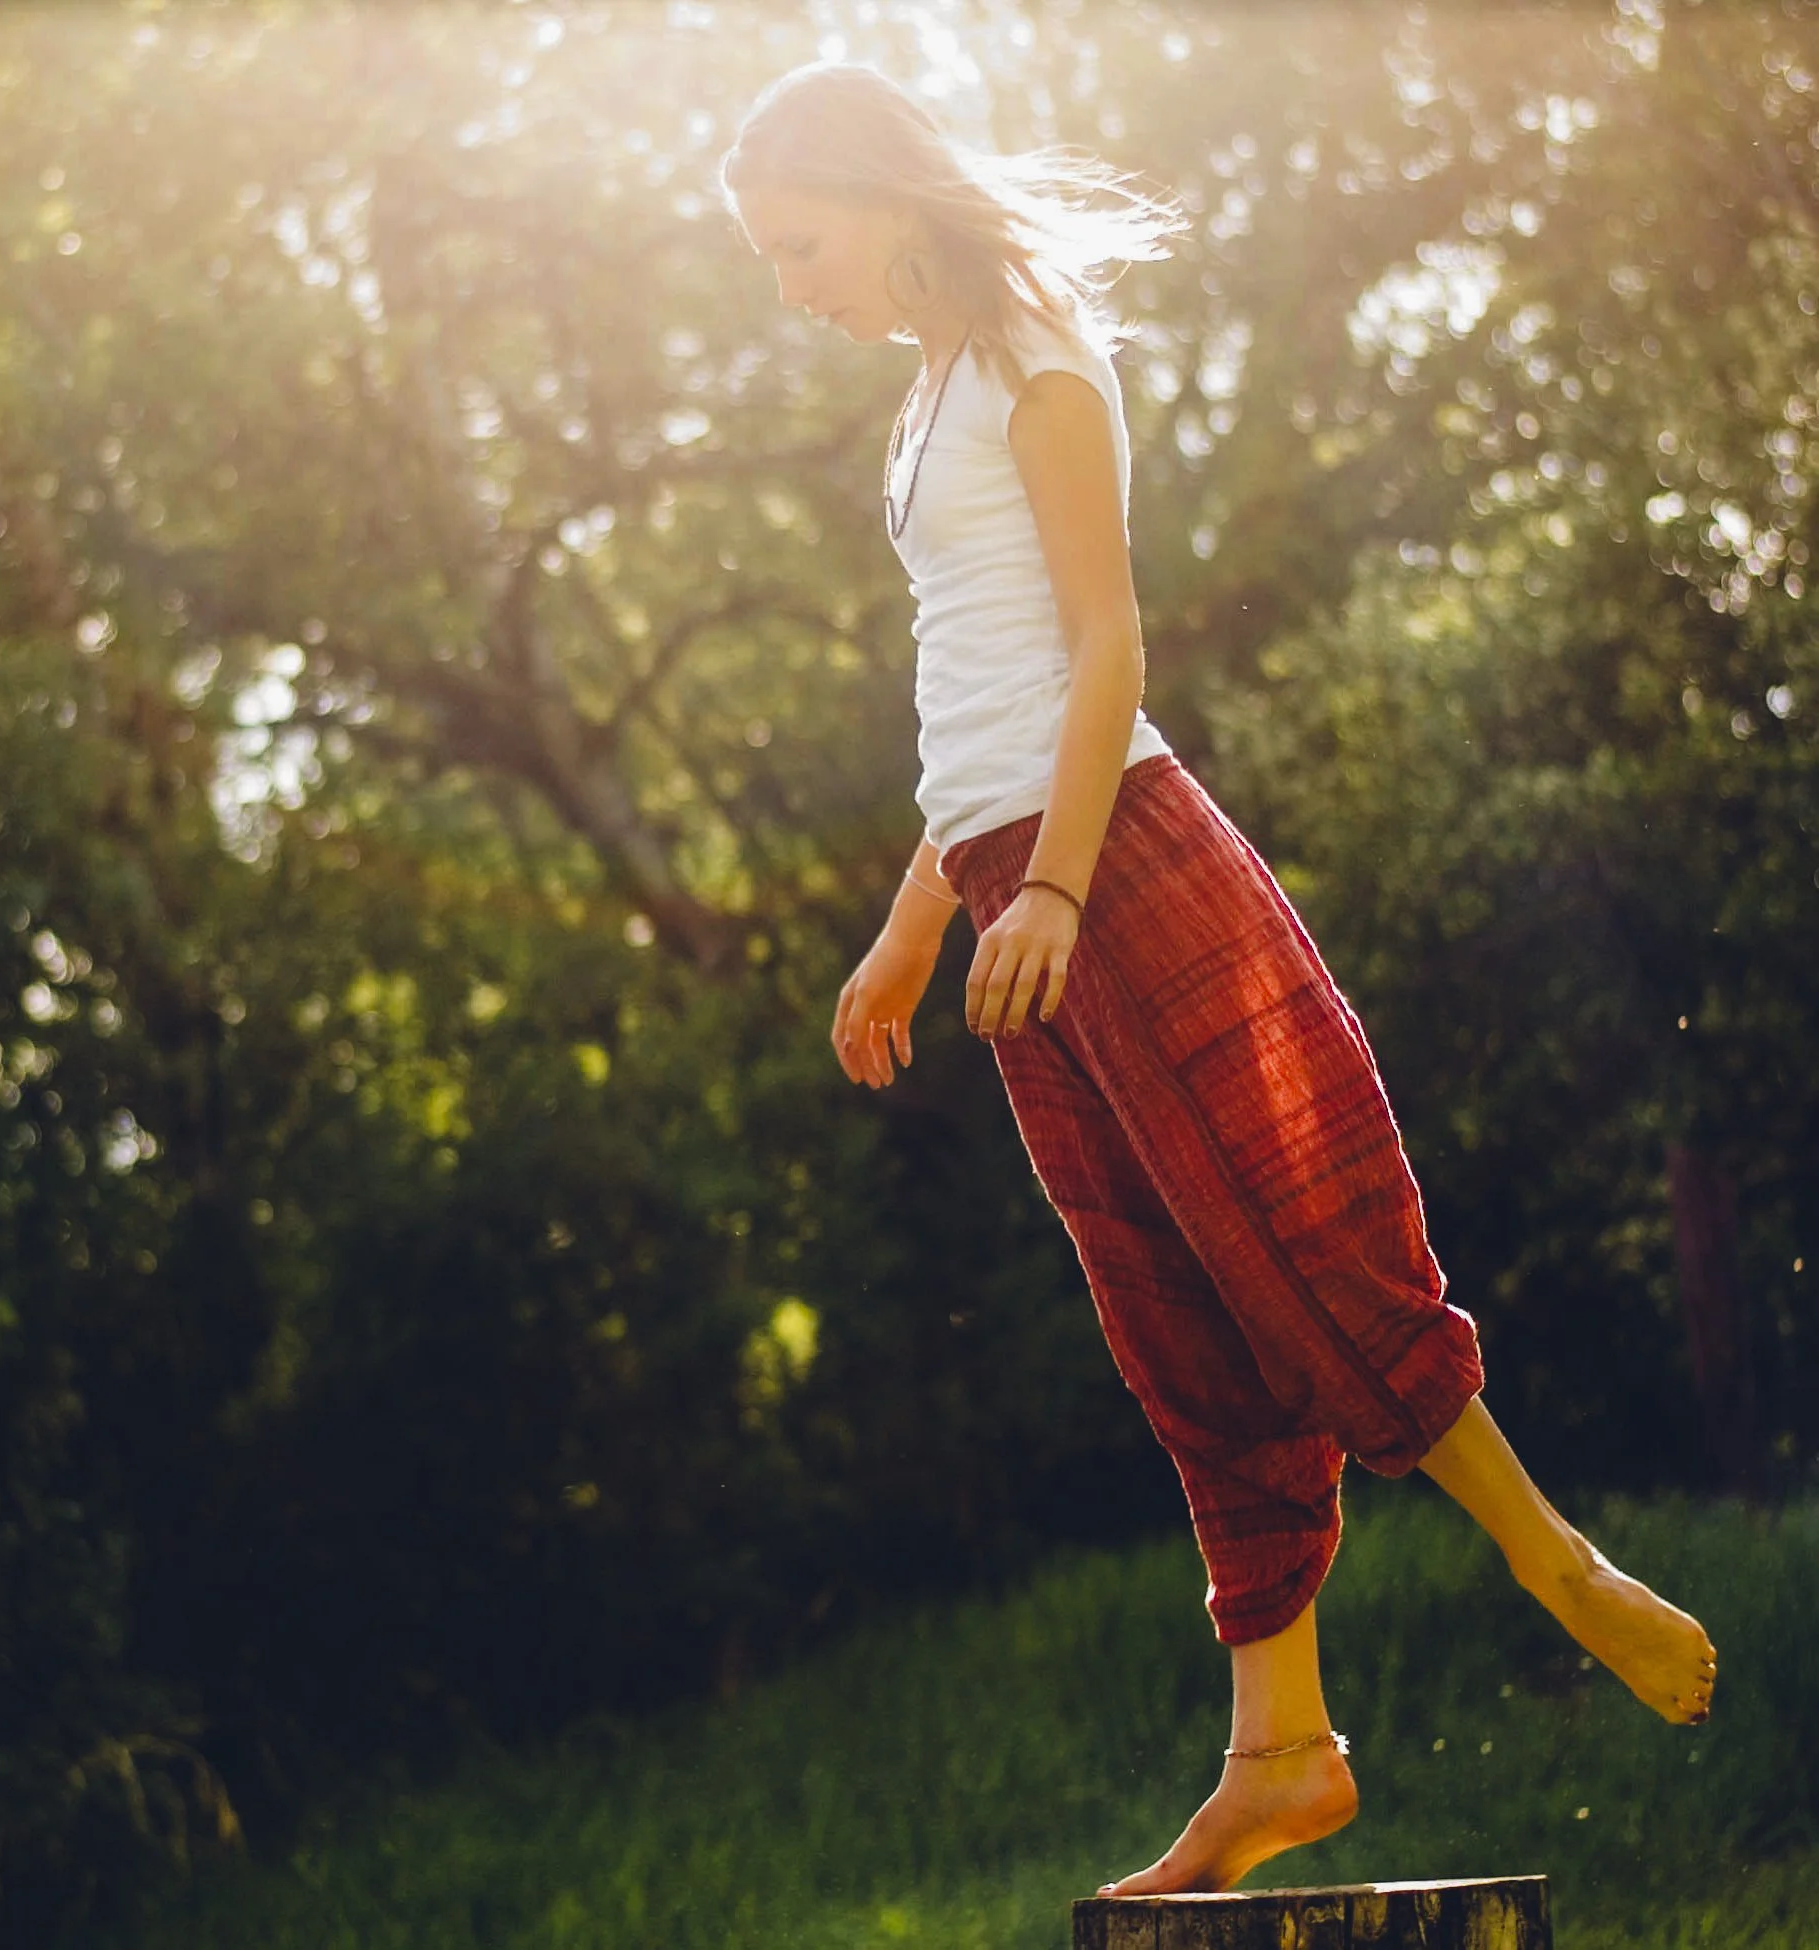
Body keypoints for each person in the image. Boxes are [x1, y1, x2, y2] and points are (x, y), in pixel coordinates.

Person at [718, 60, 1716, 1897]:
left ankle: (1551, 1558)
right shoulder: (922, 396)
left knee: (1295, 1233)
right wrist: (915, 923)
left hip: (1117, 862)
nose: (790, 285)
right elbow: (977, 692)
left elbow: (1107, 644)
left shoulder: (1029, 354)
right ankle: (1280, 1749)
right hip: (1012, 877)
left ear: (878, 194)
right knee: (1170, 1308)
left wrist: (1062, 894)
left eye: (798, 243)